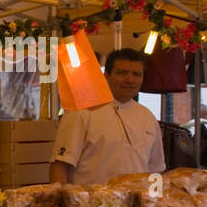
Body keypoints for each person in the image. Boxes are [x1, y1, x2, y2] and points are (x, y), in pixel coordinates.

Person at [48, 48, 166, 185]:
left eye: (136, 74)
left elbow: (156, 171)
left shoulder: (148, 117)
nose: (130, 79)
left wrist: (156, 203)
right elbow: (60, 165)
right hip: (91, 204)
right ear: (106, 75)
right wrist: (60, 203)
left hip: (138, 204)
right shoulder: (82, 112)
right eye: (121, 73)